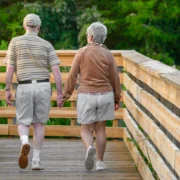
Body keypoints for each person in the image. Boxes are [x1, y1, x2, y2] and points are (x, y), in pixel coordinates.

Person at [5, 14, 63, 170]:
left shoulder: (15, 42)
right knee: (39, 124)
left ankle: (25, 141)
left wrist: (7, 89)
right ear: (38, 27)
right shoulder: (46, 45)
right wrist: (60, 93)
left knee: (23, 122)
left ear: (25, 26)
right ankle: (36, 161)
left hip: (24, 86)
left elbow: (10, 68)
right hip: (43, 86)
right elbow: (56, 70)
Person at [61, 22, 121, 171]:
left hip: (86, 94)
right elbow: (115, 78)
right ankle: (100, 162)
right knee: (101, 129)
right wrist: (116, 98)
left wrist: (66, 94)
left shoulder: (81, 52)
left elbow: (72, 75)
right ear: (103, 38)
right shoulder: (108, 54)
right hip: (105, 94)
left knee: (86, 129)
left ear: (91, 37)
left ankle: (89, 148)